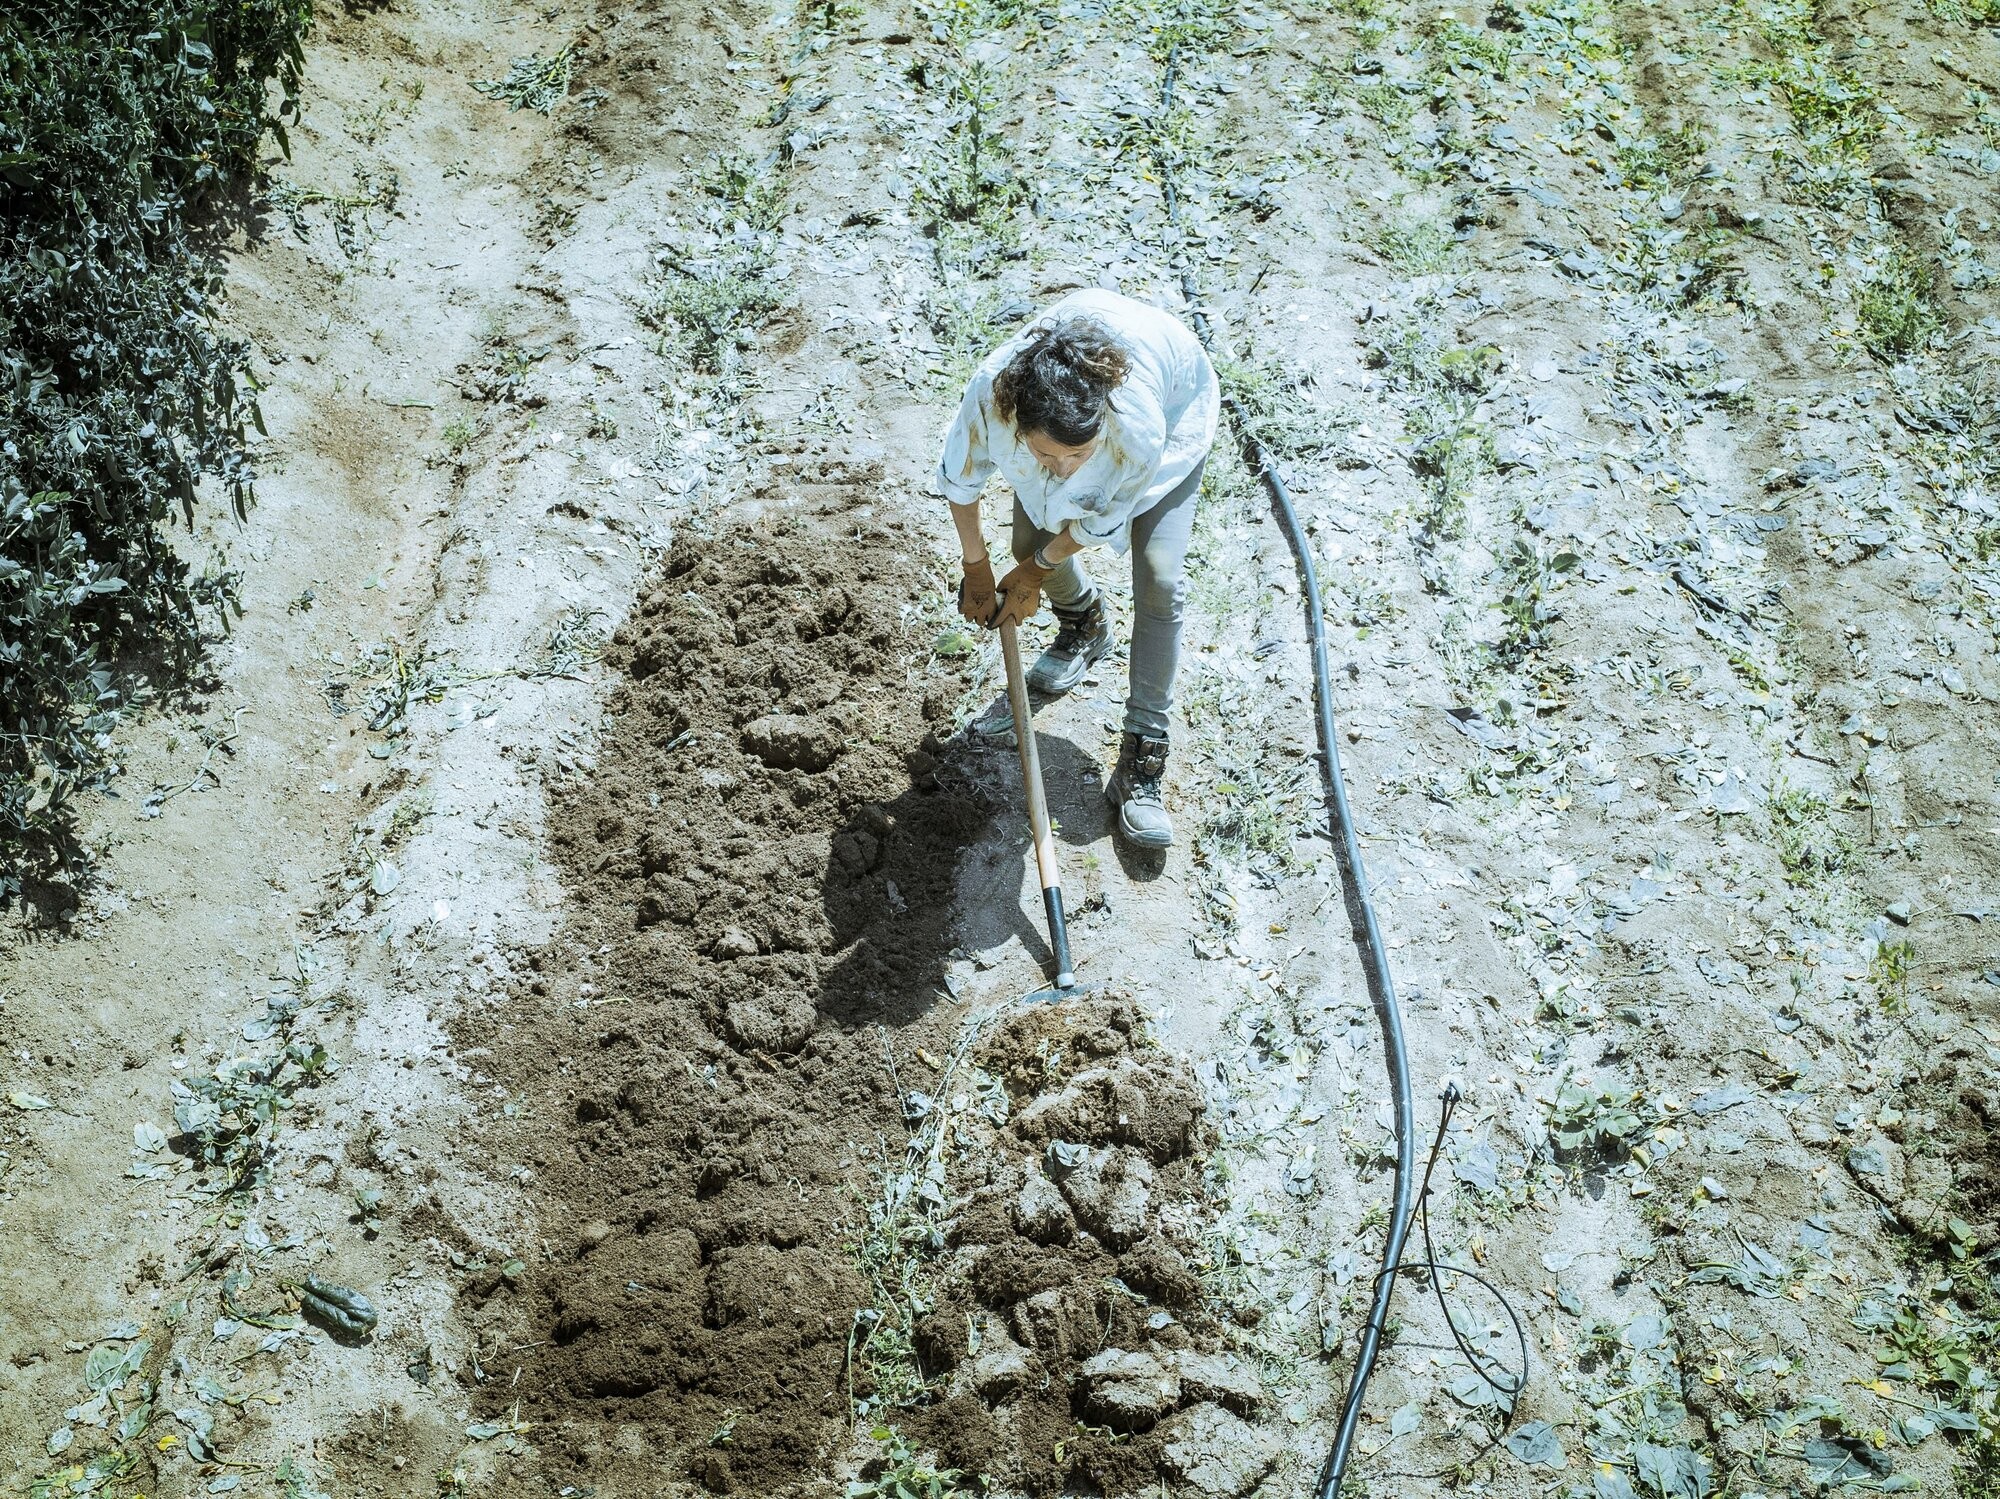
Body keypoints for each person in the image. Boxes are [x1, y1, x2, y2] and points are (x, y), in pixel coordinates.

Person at [937, 288, 1219, 849]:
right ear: (1018, 423)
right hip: (1060, 402)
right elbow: (961, 480)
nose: (1063, 470)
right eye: (1046, 455)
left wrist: (1037, 570)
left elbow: (1096, 524)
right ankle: (1085, 625)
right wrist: (977, 567)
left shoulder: (1135, 429)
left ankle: (1143, 756)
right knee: (1025, 538)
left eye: (1077, 456)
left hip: (1176, 407)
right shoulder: (992, 396)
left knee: (1161, 578)